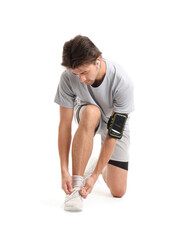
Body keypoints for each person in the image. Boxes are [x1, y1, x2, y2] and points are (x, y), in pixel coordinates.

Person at [54, 35, 134, 211]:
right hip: (88, 115)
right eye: (77, 74)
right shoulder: (68, 77)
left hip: (114, 124)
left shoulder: (123, 82)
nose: (81, 79)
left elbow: (114, 133)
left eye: (84, 72)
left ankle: (98, 165)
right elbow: (65, 126)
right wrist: (64, 170)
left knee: (118, 191)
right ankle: (75, 189)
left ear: (97, 61)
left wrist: (95, 174)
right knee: (92, 112)